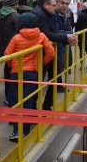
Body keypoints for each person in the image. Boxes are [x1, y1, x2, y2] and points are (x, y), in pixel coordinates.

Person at [4, 13, 55, 141]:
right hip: (32, 72)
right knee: (28, 101)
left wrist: (13, 65)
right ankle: (25, 131)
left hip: (17, 73)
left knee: (16, 101)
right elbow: (51, 53)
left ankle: (16, 131)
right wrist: (41, 62)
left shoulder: (16, 37)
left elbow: (7, 55)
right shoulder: (42, 36)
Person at [31, 0, 77, 111]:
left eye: (67, 4)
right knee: (40, 81)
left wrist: (66, 35)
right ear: (47, 4)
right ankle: (33, 108)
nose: (63, 6)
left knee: (51, 79)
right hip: (44, 52)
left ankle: (42, 106)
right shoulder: (43, 15)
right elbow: (50, 33)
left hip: (51, 51)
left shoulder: (53, 14)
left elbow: (59, 31)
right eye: (60, 3)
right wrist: (66, 36)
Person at [0, 0, 20, 102]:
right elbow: (19, 32)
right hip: (14, 48)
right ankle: (13, 98)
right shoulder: (16, 16)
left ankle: (7, 97)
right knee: (14, 73)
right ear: (14, 4)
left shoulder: (0, 15)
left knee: (7, 72)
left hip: (4, 46)